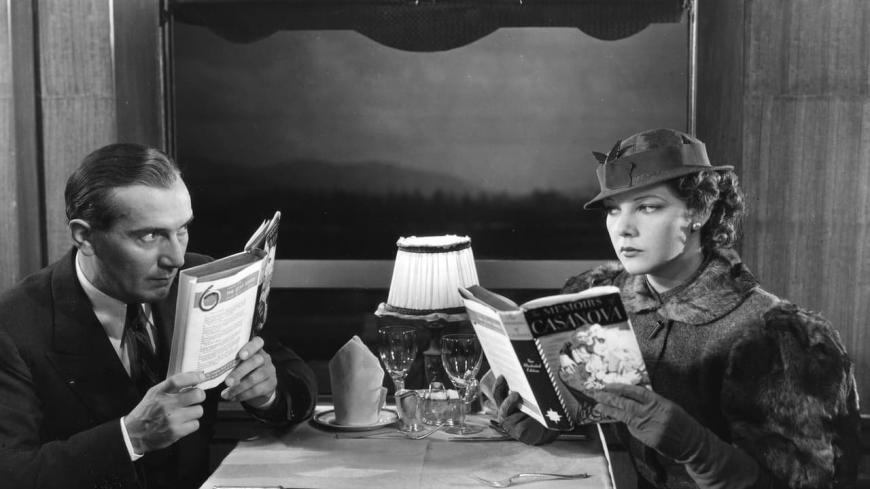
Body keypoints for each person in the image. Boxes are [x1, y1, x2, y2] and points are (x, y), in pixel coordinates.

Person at [493, 128, 860, 489]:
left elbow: (815, 481)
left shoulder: (775, 337)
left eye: (647, 207)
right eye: (613, 210)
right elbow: (597, 415)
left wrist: (700, 450)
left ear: (699, 210)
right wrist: (546, 419)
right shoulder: (600, 300)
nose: (623, 228)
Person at [0, 143, 318, 489]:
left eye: (181, 229)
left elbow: (297, 380)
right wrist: (130, 438)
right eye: (150, 236)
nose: (176, 258)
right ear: (85, 236)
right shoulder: (13, 327)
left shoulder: (200, 279)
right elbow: (11, 474)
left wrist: (267, 393)